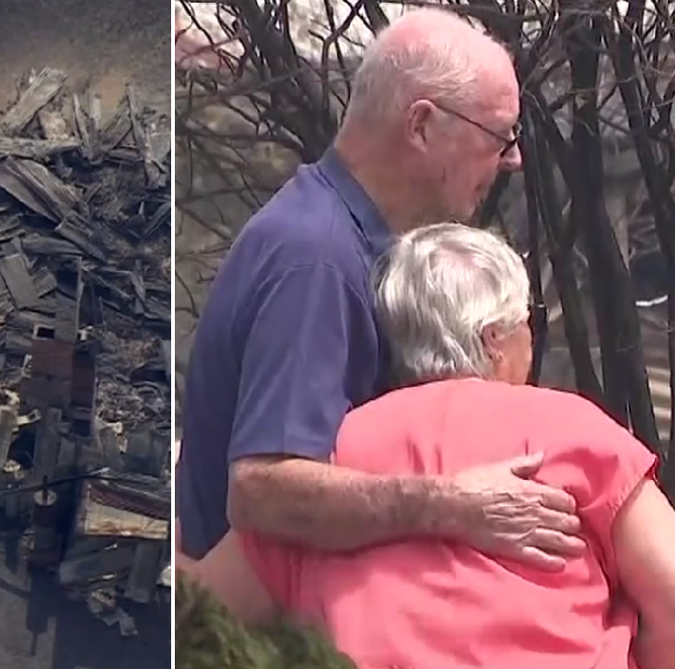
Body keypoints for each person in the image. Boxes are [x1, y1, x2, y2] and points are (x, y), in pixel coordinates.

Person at [183, 223, 675, 669]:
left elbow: (205, 612)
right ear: (493, 338)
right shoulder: (575, 431)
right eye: (525, 322)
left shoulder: (330, 457)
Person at [176, 7, 584, 569]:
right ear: (421, 126)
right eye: (499, 136)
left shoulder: (341, 233)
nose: (513, 159)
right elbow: (262, 490)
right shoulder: (315, 259)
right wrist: (454, 504)